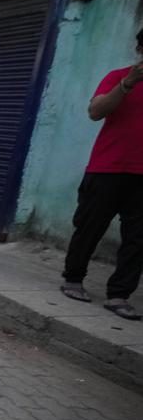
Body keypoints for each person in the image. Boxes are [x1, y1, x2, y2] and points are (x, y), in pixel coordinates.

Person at [59, 29, 143, 321]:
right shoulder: (117, 77)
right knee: (90, 227)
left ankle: (119, 294)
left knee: (137, 239)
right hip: (107, 168)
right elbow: (95, 111)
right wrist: (127, 84)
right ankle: (73, 277)